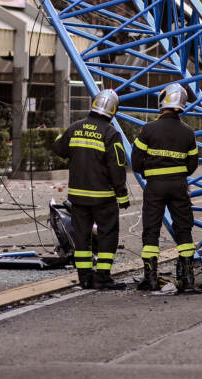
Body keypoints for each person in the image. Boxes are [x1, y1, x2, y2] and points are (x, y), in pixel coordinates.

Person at [53, 89, 130, 289]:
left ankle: (84, 277)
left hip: (78, 197)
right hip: (103, 197)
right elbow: (117, 166)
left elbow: (59, 149)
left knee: (81, 238)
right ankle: (102, 276)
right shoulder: (111, 133)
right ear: (113, 110)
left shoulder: (75, 127)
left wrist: (59, 137)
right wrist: (121, 195)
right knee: (107, 235)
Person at [131, 82, 198, 292]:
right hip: (179, 186)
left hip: (155, 187)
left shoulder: (149, 129)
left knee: (151, 230)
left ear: (163, 101)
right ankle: (188, 278)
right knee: (184, 229)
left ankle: (150, 278)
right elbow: (192, 164)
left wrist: (147, 172)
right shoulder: (188, 132)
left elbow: (135, 159)